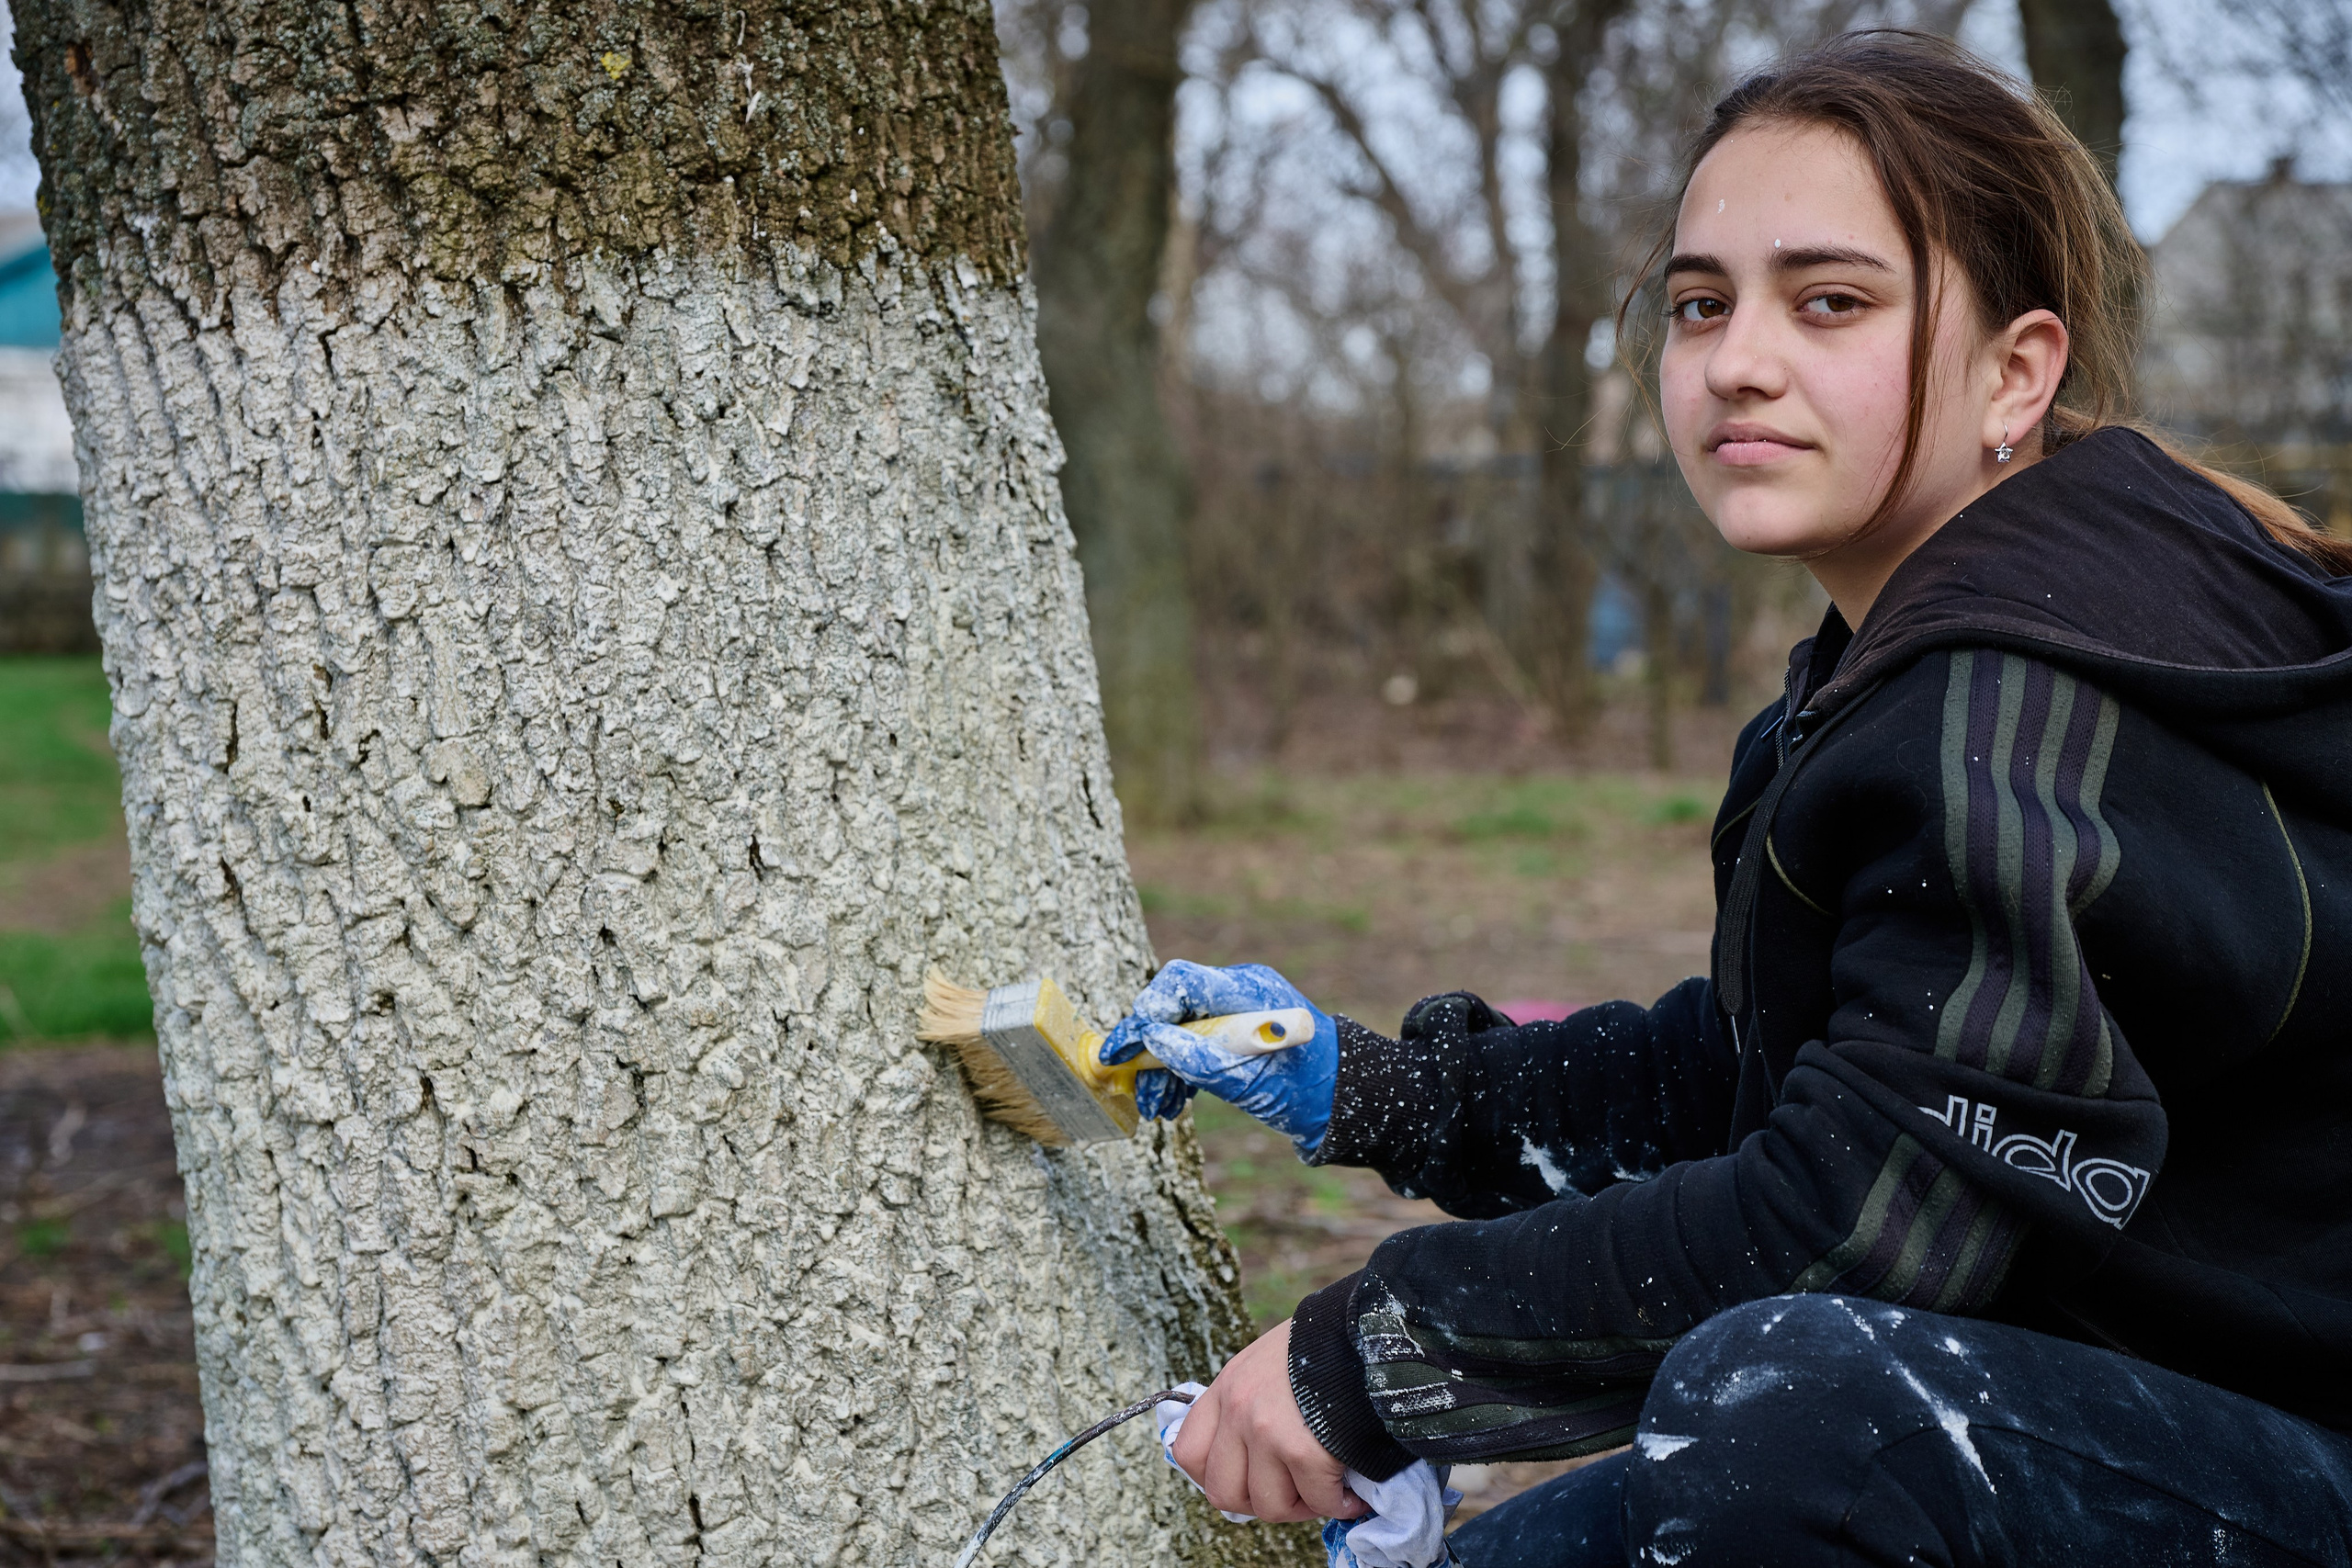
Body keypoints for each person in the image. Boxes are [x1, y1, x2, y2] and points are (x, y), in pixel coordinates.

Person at [1100, 29, 2352, 1567]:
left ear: (2017, 371)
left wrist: (1369, 1361)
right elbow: (1782, 1070)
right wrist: (1382, 1092)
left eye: (1830, 301)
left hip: (2262, 1458)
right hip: (2074, 1426)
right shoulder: (1896, 671)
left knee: (1795, 1409)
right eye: (1703, 304)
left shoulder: (2031, 702)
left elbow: (1862, 1216)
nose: (1738, 358)